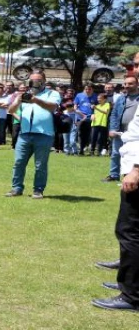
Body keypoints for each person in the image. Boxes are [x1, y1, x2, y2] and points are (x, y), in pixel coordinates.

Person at [92, 77, 139, 311]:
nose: (134, 71)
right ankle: (130, 280)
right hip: (130, 163)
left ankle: (132, 294)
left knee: (129, 230)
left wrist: (137, 168)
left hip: (136, 170)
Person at [5, 72, 61, 199]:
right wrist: (18, 101)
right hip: (24, 134)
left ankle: (38, 190)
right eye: (32, 80)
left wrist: (35, 100)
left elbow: (52, 107)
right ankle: (16, 188)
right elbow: (11, 110)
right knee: (19, 162)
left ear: (44, 81)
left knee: (40, 164)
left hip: (44, 134)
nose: (34, 83)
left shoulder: (52, 94)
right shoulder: (24, 94)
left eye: (37, 80)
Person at [105, 76, 139, 182]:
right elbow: (114, 114)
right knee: (116, 153)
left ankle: (131, 176)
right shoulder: (121, 98)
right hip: (120, 130)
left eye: (130, 84)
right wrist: (112, 129)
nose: (127, 86)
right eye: (125, 84)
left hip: (135, 133)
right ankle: (114, 175)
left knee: (134, 154)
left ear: (137, 84)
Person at [74, 82, 97, 155]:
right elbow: (75, 106)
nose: (87, 90)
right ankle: (80, 149)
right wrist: (79, 113)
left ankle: (88, 149)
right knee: (80, 134)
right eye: (86, 89)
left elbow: (98, 107)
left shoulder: (95, 96)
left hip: (91, 118)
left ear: (92, 89)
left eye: (89, 89)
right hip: (80, 118)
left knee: (89, 134)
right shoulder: (79, 95)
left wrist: (94, 113)